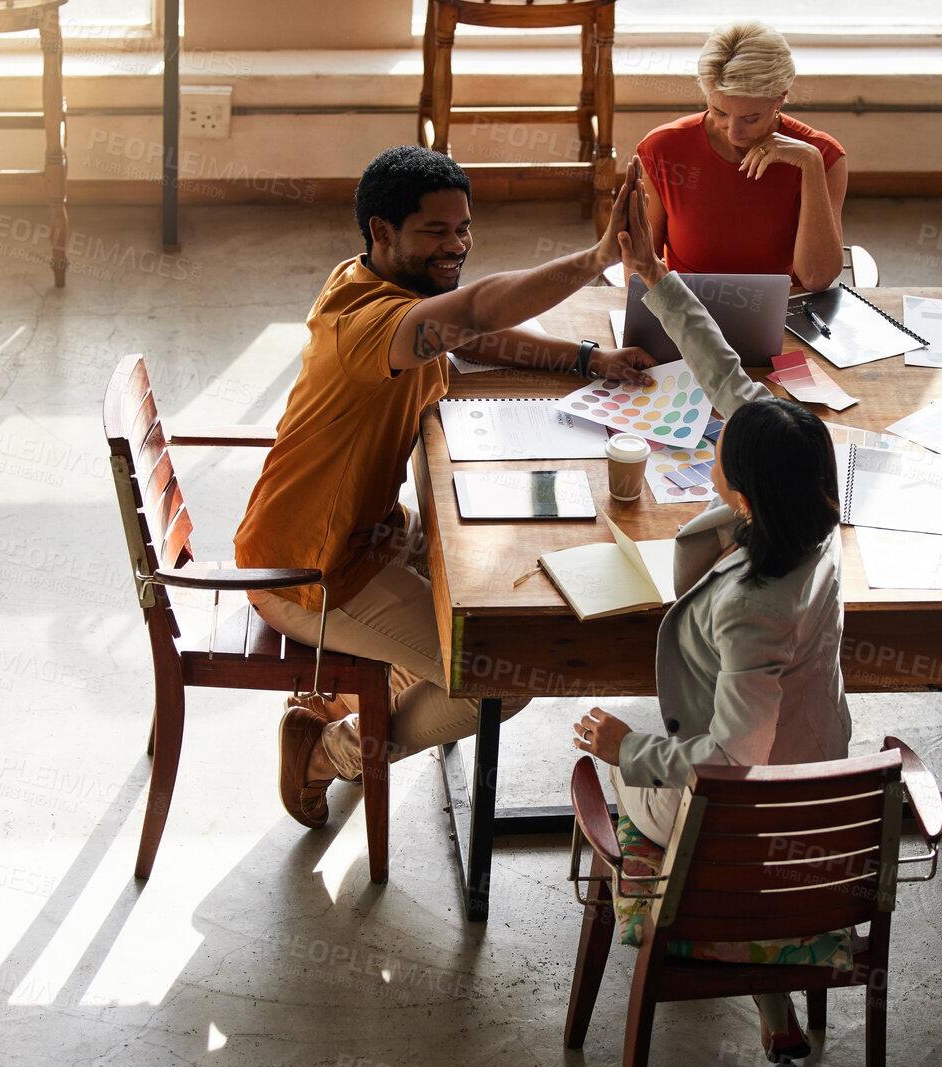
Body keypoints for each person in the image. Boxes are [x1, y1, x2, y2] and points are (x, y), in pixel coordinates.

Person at [235, 145, 657, 829]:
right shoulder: (365, 323)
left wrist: (587, 359)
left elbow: (471, 334)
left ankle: (364, 699)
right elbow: (479, 312)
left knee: (497, 600)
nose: (456, 245)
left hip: (374, 534)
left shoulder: (381, 284)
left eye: (463, 229)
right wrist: (595, 258)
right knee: (499, 677)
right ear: (381, 232)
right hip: (310, 573)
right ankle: (327, 752)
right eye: (435, 231)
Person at [572, 160, 851, 1061]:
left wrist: (632, 750)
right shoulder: (808, 504)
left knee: (614, 767)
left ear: (740, 493)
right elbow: (724, 370)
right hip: (821, 768)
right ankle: (775, 1004)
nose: (712, 447)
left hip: (746, 811)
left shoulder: (752, 610)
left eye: (717, 456)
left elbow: (731, 761)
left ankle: (713, 944)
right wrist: (654, 276)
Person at [635, 20, 848, 291]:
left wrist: (811, 165)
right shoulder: (661, 149)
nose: (734, 133)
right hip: (684, 310)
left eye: (751, 118)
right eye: (719, 112)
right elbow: (639, 268)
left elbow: (817, 279)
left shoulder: (824, 156)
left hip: (781, 314)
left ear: (780, 99)